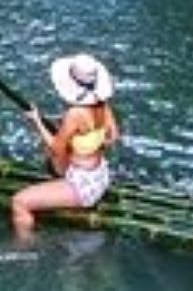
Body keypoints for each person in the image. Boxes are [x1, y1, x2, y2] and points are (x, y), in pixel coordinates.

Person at [10, 52, 120, 240]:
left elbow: (55, 148)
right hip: (100, 175)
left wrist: (37, 121)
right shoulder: (103, 104)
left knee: (19, 202)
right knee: (55, 157)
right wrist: (83, 143)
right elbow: (113, 137)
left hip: (83, 186)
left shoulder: (75, 113)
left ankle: (25, 249)